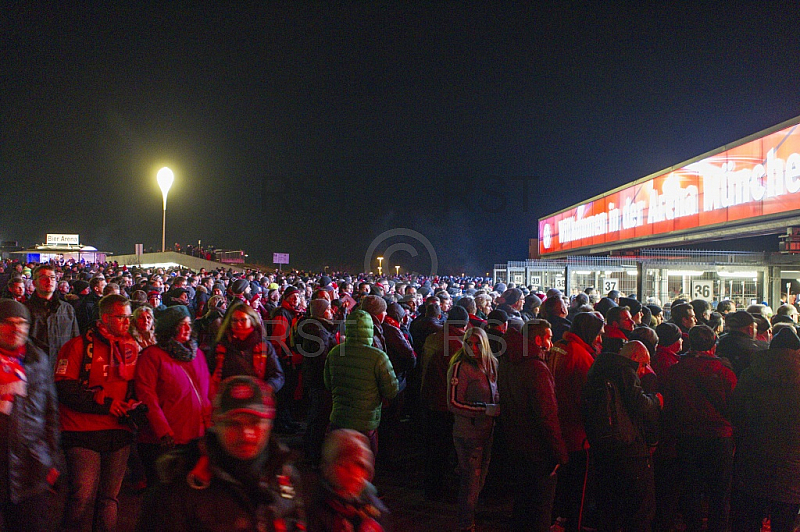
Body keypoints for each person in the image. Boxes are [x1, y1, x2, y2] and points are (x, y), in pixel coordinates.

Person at [136, 375, 305, 531]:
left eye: (255, 422)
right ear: (216, 424)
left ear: (269, 422)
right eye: (233, 424)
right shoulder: (178, 488)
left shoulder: (286, 477)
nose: (246, 433)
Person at [55, 294, 140, 532]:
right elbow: (65, 389)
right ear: (105, 318)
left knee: (109, 499)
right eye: (121, 317)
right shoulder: (76, 346)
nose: (126, 322)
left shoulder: (132, 346)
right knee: (82, 496)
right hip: (81, 431)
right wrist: (104, 405)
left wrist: (133, 405)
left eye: (128, 317)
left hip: (119, 431)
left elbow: (136, 385)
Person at [582, 340, 662, 532]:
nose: (644, 370)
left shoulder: (598, 367)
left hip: (602, 445)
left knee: (610, 506)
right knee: (639, 508)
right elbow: (639, 404)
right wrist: (656, 401)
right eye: (643, 364)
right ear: (634, 358)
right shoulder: (625, 370)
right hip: (628, 447)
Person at [663, 325, 737, 532]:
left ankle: (693, 526)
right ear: (713, 346)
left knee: (691, 488)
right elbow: (734, 406)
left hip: (687, 437)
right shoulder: (724, 372)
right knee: (719, 492)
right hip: (719, 438)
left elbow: (669, 405)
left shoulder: (676, 370)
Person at [499, 319, 568, 531]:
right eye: (548, 337)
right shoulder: (537, 367)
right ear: (538, 340)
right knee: (540, 507)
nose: (551, 342)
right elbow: (547, 415)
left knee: (523, 502)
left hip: (516, 443)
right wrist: (559, 453)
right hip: (538, 450)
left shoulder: (509, 360)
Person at [0, 299, 63, 531]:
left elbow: (50, 414)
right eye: (7, 322)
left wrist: (52, 459)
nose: (15, 328)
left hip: (31, 467)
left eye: (21, 323)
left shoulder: (38, 362)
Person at [730, 328, 800, 532]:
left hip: (753, 460)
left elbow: (735, 412)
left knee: (748, 521)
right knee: (785, 522)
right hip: (793, 466)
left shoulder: (751, 375)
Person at [134, 305, 211, 487]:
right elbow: (147, 395)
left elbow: (207, 391)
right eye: (181, 325)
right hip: (166, 441)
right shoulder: (152, 356)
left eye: (189, 324)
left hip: (196, 436)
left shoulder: (197, 354)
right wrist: (163, 430)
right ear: (170, 328)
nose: (187, 329)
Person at [548, 312, 605, 532]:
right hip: (577, 434)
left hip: (560, 427)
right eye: (598, 334)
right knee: (578, 491)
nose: (600, 339)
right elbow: (587, 397)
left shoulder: (560, 346)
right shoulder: (581, 355)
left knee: (563, 486)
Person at [324, 309, 399, 457]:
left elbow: (328, 384)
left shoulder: (335, 352)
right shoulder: (378, 357)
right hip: (366, 423)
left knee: (339, 463)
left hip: (339, 419)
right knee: (362, 466)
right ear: (370, 329)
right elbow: (391, 391)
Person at [447, 327, 500, 531]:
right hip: (468, 433)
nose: (473, 347)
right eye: (469, 343)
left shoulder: (491, 365)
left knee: (479, 478)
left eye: (477, 343)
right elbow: (453, 402)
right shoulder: (460, 367)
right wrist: (484, 410)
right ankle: (466, 523)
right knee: (470, 480)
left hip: (487, 431)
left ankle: (470, 517)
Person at [420, 305, 469, 500]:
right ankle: (437, 488)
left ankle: (431, 485)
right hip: (444, 403)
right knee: (442, 449)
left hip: (428, 398)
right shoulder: (456, 345)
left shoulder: (434, 337)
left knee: (433, 448)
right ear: (464, 325)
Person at [307, 429, 389, 531]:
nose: (355, 473)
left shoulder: (371, 502)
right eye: (344, 465)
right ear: (331, 467)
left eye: (360, 466)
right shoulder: (320, 508)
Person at [210, 301, 284, 394]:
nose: (238, 324)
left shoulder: (264, 346)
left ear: (252, 321)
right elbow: (208, 372)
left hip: (256, 401)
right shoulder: (221, 346)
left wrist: (267, 388)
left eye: (243, 320)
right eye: (235, 320)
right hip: (228, 401)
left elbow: (277, 375)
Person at [25, 264, 80, 369]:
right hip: (35, 370)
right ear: (34, 283)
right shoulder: (25, 309)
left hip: (62, 369)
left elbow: (75, 341)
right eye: (43, 278)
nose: (49, 281)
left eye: (52, 278)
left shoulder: (67, 309)